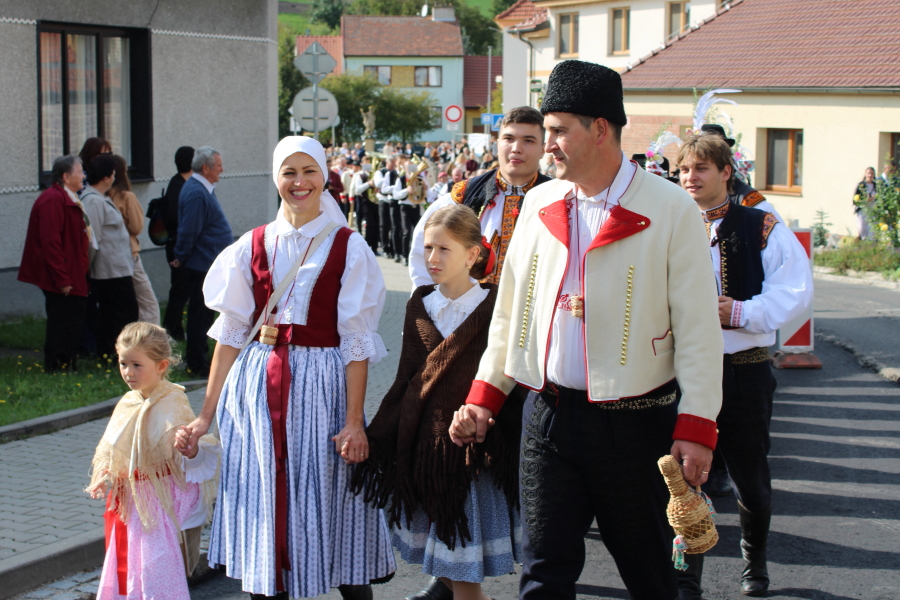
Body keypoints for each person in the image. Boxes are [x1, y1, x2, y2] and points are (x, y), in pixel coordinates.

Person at [448, 60, 723, 600]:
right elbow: (510, 314)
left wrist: (696, 425)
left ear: (600, 129)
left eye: (557, 130)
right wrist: (484, 398)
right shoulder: (539, 202)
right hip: (547, 417)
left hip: (636, 424)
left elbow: (697, 331)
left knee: (651, 578)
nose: (547, 145)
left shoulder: (671, 208)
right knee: (542, 575)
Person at [178, 136, 396, 600]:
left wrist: (354, 422)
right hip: (256, 393)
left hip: (322, 390)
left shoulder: (348, 247)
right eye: (289, 172)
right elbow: (230, 335)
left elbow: (356, 343)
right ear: (276, 178)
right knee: (264, 500)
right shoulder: (252, 244)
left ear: (325, 177)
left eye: (309, 171)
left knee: (333, 498)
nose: (299, 182)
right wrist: (204, 416)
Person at [353, 204, 520, 600]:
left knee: (460, 571)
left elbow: (510, 375)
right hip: (427, 450)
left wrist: (484, 418)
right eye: (428, 248)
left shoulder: (496, 306)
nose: (432, 258)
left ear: (472, 254)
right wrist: (376, 431)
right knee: (449, 567)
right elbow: (408, 378)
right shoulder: (419, 303)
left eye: (444, 249)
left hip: (472, 457)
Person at [676, 134, 812, 598]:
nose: (690, 178)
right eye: (684, 170)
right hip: (685, 371)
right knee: (685, 475)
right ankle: (686, 575)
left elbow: (795, 290)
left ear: (725, 172)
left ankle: (755, 563)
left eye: (701, 168)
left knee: (749, 477)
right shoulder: (670, 223)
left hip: (743, 368)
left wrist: (741, 312)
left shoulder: (760, 223)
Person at [87, 322, 220, 600]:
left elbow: (191, 457)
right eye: (123, 363)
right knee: (127, 564)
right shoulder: (128, 401)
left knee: (155, 566)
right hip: (129, 500)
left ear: (161, 366)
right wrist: (105, 473)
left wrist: (189, 449)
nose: (128, 372)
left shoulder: (173, 401)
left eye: (137, 365)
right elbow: (117, 448)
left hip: (159, 502)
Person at [409, 107, 551, 289]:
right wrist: (428, 299)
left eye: (528, 141)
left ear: (542, 149)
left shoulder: (556, 197)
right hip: (465, 304)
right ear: (497, 144)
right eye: (509, 139)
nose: (516, 148)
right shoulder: (465, 195)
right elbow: (424, 250)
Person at [18, 155, 91, 371]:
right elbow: (50, 243)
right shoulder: (53, 200)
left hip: (72, 270)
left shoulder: (67, 197)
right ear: (66, 177)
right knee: (62, 320)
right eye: (80, 172)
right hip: (61, 275)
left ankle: (68, 362)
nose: (84, 176)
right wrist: (62, 278)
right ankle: (58, 365)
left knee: (73, 318)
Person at [171, 147, 233, 376]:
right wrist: (180, 256)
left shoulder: (201, 188)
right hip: (201, 264)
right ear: (206, 168)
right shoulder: (197, 192)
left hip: (206, 262)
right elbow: (189, 230)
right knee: (200, 315)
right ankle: (196, 363)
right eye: (218, 166)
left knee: (203, 314)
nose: (222, 170)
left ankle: (198, 358)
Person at [80, 154, 139, 360]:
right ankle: (112, 353)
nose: (115, 178)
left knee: (117, 313)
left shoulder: (101, 198)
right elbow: (92, 238)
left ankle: (113, 353)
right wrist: (88, 267)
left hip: (117, 267)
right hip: (109, 269)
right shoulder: (93, 201)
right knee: (122, 313)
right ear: (106, 177)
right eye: (113, 174)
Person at [109, 154, 161, 325]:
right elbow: (137, 227)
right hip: (129, 253)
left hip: (109, 255)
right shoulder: (125, 197)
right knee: (147, 301)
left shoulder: (103, 195)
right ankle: (150, 337)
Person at [699, 124, 784, 224]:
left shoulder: (750, 203)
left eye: (701, 168)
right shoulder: (689, 197)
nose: (691, 177)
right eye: (686, 169)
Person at [162, 146, 196, 340]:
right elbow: (178, 220)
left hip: (178, 245)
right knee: (180, 290)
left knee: (181, 290)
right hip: (177, 246)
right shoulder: (180, 186)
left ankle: (174, 329)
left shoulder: (179, 183)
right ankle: (170, 329)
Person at [374, 157, 400, 258]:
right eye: (392, 162)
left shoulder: (396, 172)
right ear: (387, 163)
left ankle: (393, 248)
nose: (393, 164)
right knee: (384, 225)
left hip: (393, 200)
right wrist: (388, 177)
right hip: (383, 200)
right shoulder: (381, 172)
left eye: (394, 162)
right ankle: (385, 247)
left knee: (394, 226)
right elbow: (378, 183)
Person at [855, 166, 877, 240]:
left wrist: (874, 198)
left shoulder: (876, 185)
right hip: (863, 210)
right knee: (862, 228)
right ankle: (862, 242)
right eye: (869, 173)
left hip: (872, 210)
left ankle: (870, 243)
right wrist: (864, 199)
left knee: (871, 230)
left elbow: (879, 197)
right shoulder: (861, 185)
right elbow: (855, 199)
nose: (870, 175)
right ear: (865, 174)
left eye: (872, 173)